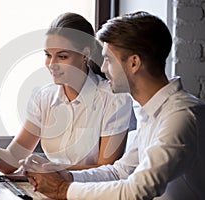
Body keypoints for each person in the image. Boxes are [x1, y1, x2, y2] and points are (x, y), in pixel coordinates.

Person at [21, 11, 205, 199]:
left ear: (134, 63)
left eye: (108, 59)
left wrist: (63, 190)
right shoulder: (154, 112)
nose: (102, 69)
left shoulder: (181, 116)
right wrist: (67, 176)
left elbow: (137, 190)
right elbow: (120, 172)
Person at [0, 12, 136, 174]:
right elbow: (12, 161)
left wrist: (52, 169)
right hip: (49, 191)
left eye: (62, 56)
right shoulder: (44, 98)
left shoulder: (114, 99)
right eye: (48, 55)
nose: (51, 64)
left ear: (85, 55)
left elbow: (107, 171)